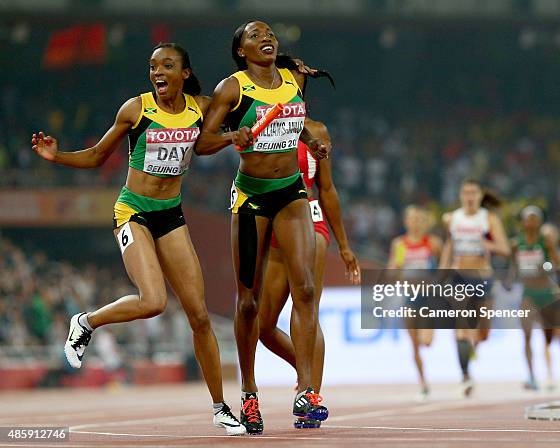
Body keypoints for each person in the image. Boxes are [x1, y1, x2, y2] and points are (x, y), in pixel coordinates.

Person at [31, 43, 246, 435]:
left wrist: (236, 135)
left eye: (167, 65)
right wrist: (58, 156)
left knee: (199, 316)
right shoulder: (136, 108)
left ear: (185, 72)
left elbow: (226, 123)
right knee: (153, 302)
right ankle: (86, 321)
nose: (157, 72)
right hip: (133, 210)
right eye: (152, 66)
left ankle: (220, 408)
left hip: (171, 214)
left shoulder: (202, 107)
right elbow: (98, 155)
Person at [194, 20, 331, 434]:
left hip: (291, 192)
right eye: (254, 36)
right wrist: (233, 136)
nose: (265, 38)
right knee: (249, 302)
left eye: (269, 33)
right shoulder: (232, 88)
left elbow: (297, 121)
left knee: (305, 288)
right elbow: (202, 141)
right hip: (252, 198)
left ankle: (306, 389)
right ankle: (249, 393)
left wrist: (312, 140)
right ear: (241, 51)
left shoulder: (291, 79)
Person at [258, 118, 360, 429]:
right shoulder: (262, 119)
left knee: (306, 308)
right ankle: (306, 375)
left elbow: (327, 189)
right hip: (273, 225)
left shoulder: (317, 131)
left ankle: (308, 393)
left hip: (310, 221)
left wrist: (343, 245)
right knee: (262, 325)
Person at [439, 179, 510, 396]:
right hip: (459, 276)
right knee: (461, 326)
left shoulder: (488, 219)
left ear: (480, 196)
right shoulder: (452, 218)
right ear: (461, 195)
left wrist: (486, 244)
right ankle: (465, 375)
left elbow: (505, 249)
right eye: (466, 192)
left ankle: (469, 353)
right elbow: (449, 245)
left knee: (483, 332)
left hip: (483, 278)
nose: (469, 196)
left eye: (473, 192)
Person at [387, 205, 442, 400]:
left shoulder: (433, 243)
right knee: (415, 346)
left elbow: (443, 266)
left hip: (428, 298)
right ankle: (423, 383)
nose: (416, 223)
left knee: (426, 341)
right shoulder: (399, 244)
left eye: (419, 219)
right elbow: (391, 271)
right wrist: (396, 268)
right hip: (409, 297)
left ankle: (424, 333)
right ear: (406, 222)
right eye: (412, 219)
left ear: (424, 222)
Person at [510, 205, 558, 391]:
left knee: (548, 336)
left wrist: (544, 266)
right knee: (527, 334)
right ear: (523, 222)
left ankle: (550, 374)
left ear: (539, 222)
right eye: (528, 218)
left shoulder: (545, 241)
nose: (530, 222)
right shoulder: (516, 243)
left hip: (545, 292)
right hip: (528, 293)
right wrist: (510, 279)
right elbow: (514, 266)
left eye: (534, 218)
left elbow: (553, 263)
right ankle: (531, 375)